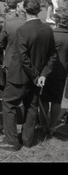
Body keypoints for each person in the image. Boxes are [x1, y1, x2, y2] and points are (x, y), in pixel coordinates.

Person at [0, 0, 57, 151]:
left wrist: (37, 75)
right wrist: (43, 75)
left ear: (24, 11)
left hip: (20, 77)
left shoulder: (24, 30)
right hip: (37, 78)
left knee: (8, 104)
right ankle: (27, 140)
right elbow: (52, 55)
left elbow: (23, 57)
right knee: (31, 106)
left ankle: (12, 141)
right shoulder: (48, 29)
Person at [38, 8, 68, 137]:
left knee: (44, 99)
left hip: (47, 70)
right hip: (62, 71)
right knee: (56, 100)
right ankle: (52, 126)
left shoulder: (52, 34)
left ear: (56, 20)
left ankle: (43, 124)